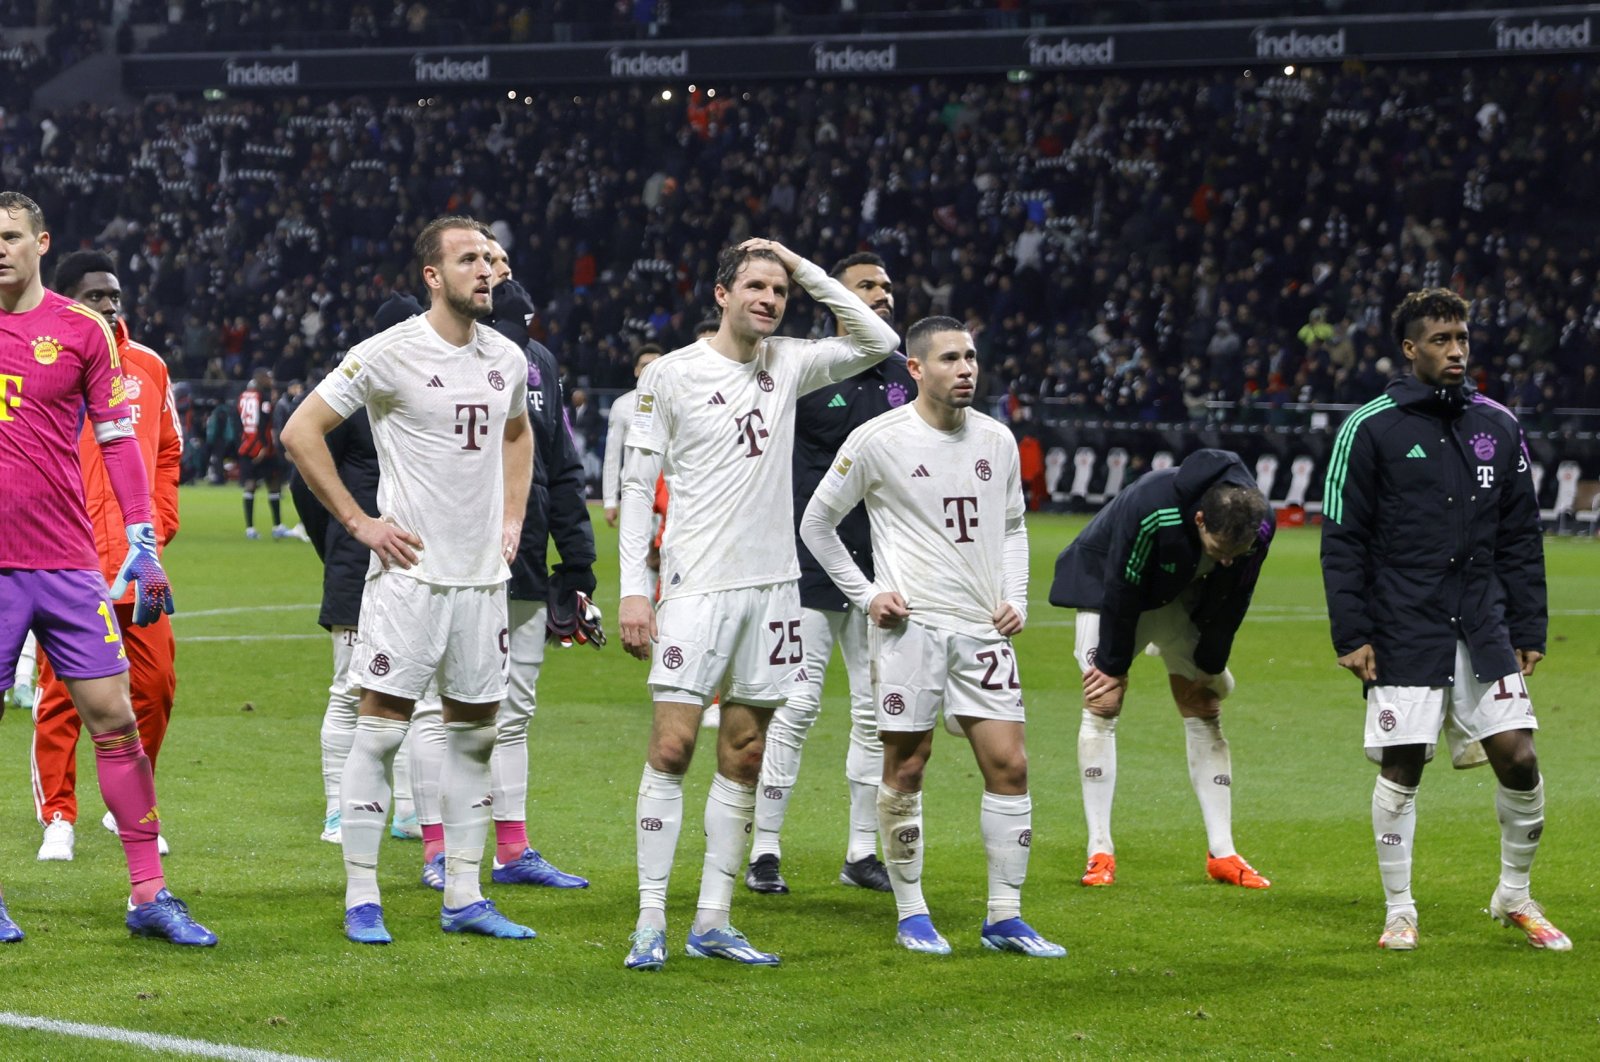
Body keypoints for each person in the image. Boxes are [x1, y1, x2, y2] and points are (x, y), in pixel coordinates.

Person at [616, 238, 898, 970]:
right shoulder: (673, 376)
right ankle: (650, 916)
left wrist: (803, 267)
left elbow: (881, 339)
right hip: (696, 589)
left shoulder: (792, 363)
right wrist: (632, 591)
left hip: (775, 591)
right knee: (674, 748)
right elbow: (636, 487)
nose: (769, 300)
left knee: (744, 755)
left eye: (779, 290)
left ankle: (713, 918)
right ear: (722, 294)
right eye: (756, 286)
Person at [280, 215, 536, 945]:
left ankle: (463, 893)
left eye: (490, 259)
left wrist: (513, 514)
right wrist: (359, 523)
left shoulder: (507, 359)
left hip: (481, 581)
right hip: (410, 580)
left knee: (473, 737)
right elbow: (301, 432)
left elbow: (518, 433)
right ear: (432, 275)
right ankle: (363, 896)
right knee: (382, 735)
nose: (486, 271)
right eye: (468, 260)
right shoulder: (388, 353)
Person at [800, 315, 1064, 957]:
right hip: (911, 633)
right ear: (916, 368)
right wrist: (867, 594)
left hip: (981, 628)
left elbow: (1013, 525)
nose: (966, 369)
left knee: (1011, 764)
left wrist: (1015, 596)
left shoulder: (998, 440)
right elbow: (817, 522)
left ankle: (1005, 916)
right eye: (950, 358)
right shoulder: (877, 438)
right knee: (907, 766)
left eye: (971, 357)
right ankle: (913, 912)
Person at [1321, 288, 1567, 951]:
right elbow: (1342, 538)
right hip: (1404, 619)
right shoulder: (1368, 428)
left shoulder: (1497, 424)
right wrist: (1353, 634)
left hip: (1484, 621)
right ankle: (1400, 909)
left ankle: (1514, 894)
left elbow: (1521, 535)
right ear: (1409, 349)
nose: (1456, 350)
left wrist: (1530, 629)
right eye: (1440, 340)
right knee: (1403, 764)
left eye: (1461, 337)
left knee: (1518, 756)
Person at [0, 190, 212, 946]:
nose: (1, 248)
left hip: (67, 565)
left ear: (41, 242)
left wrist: (145, 544)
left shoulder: (83, 330)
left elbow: (123, 441)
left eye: (12, 236)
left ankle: (149, 894)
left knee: (118, 719)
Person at [408, 232, 595, 893]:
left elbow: (562, 468)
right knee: (439, 709)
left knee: (513, 710)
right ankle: (437, 851)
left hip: (523, 562)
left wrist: (577, 565)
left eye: (502, 266)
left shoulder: (536, 360)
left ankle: (512, 849)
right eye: (481, 264)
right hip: (447, 558)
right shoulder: (422, 350)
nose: (494, 275)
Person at [745, 251, 913, 896]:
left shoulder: (906, 374)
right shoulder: (804, 371)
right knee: (797, 705)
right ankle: (764, 851)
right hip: (808, 563)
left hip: (885, 568)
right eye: (868, 286)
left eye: (888, 285)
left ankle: (861, 851)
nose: (883, 294)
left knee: (876, 712)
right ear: (838, 300)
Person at [1048, 447, 1274, 891]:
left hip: (1180, 591)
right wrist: (1112, 665)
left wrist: (1210, 663)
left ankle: (1223, 853)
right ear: (1199, 522)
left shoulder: (1258, 524)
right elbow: (1122, 584)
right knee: (1103, 702)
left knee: (1204, 704)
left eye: (1237, 553)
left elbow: (1235, 598)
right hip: (1106, 589)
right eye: (1220, 551)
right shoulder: (1152, 505)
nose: (1228, 560)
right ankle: (1099, 851)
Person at [32, 250, 182, 863]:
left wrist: (161, 524)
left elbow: (167, 451)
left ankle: (126, 805)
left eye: (116, 296)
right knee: (61, 697)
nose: (111, 306)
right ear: (68, 299)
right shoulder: (41, 363)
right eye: (97, 296)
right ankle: (58, 816)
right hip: (66, 558)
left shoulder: (148, 366)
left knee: (156, 686)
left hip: (137, 562)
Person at [288, 295, 423, 847]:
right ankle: (338, 811)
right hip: (357, 562)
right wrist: (344, 537)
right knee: (348, 689)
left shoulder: (422, 397)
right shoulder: (350, 392)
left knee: (416, 688)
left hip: (414, 562)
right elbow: (304, 476)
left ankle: (410, 811)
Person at [601, 344, 663, 530]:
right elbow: (612, 456)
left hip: (668, 491)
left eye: (656, 365)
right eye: (645, 365)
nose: (650, 369)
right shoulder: (622, 405)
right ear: (636, 370)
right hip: (635, 490)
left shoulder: (676, 403)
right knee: (634, 555)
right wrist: (610, 500)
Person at [238, 368, 289, 540]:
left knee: (250, 485)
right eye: (267, 377)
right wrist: (264, 446)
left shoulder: (243, 396)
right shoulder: (263, 397)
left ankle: (250, 528)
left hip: (246, 445)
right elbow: (264, 422)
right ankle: (277, 526)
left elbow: (237, 419)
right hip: (262, 447)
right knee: (273, 482)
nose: (271, 380)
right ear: (259, 378)